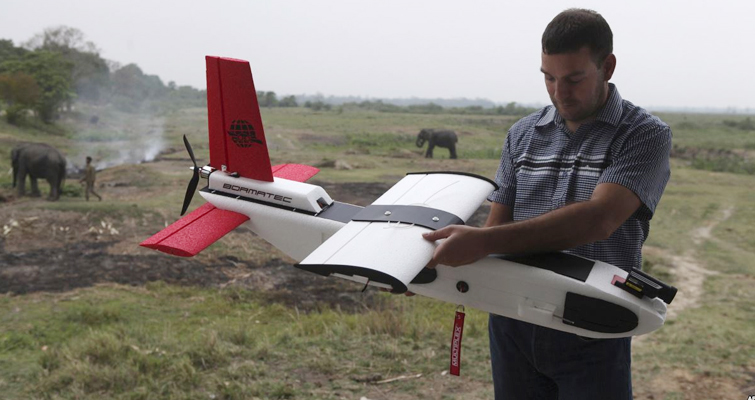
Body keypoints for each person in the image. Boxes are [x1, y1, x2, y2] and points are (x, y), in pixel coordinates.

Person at [422, 9, 671, 399]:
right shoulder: (520, 135)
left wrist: (483, 242)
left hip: (592, 323)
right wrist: (424, 271)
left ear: (607, 66)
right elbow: (496, 229)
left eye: (574, 79)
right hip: (512, 321)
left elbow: (598, 220)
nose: (559, 92)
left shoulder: (643, 135)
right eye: (548, 78)